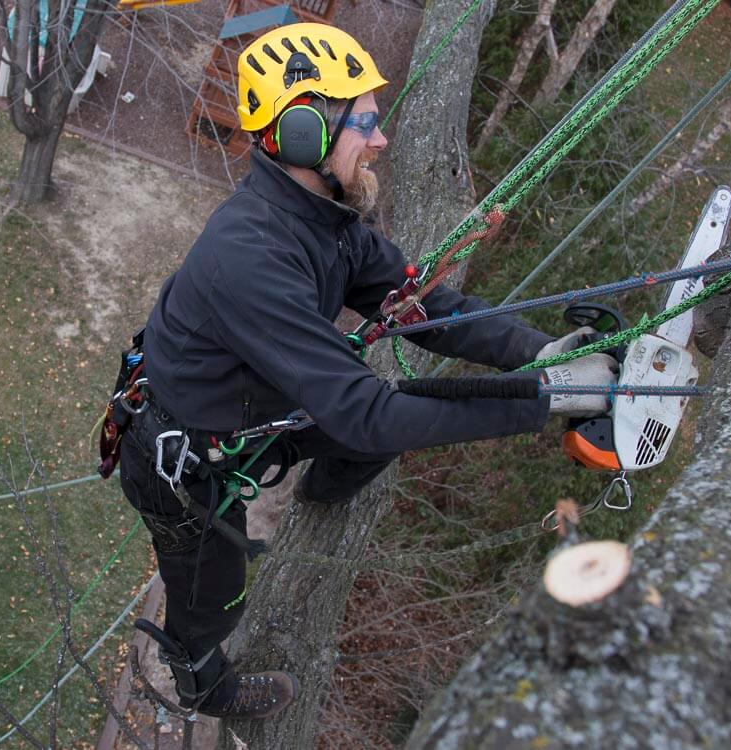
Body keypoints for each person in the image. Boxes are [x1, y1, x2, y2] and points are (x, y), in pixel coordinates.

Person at [115, 21, 618, 720]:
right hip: (188, 464)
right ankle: (205, 683)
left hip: (259, 413)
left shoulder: (332, 221)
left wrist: (542, 356)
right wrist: (544, 403)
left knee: (375, 431)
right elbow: (366, 410)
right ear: (302, 136)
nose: (380, 140)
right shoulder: (249, 256)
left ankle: (321, 488)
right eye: (366, 123)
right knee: (216, 600)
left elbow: (429, 309)